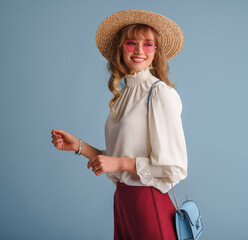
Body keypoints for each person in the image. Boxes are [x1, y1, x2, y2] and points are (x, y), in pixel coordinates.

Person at [50, 10, 187, 240]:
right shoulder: (124, 94)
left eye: (148, 44)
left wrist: (119, 162)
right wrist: (79, 146)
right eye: (132, 43)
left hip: (149, 204)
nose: (140, 50)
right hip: (123, 204)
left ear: (156, 52)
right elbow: (118, 160)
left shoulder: (159, 93)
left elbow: (175, 167)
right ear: (121, 48)